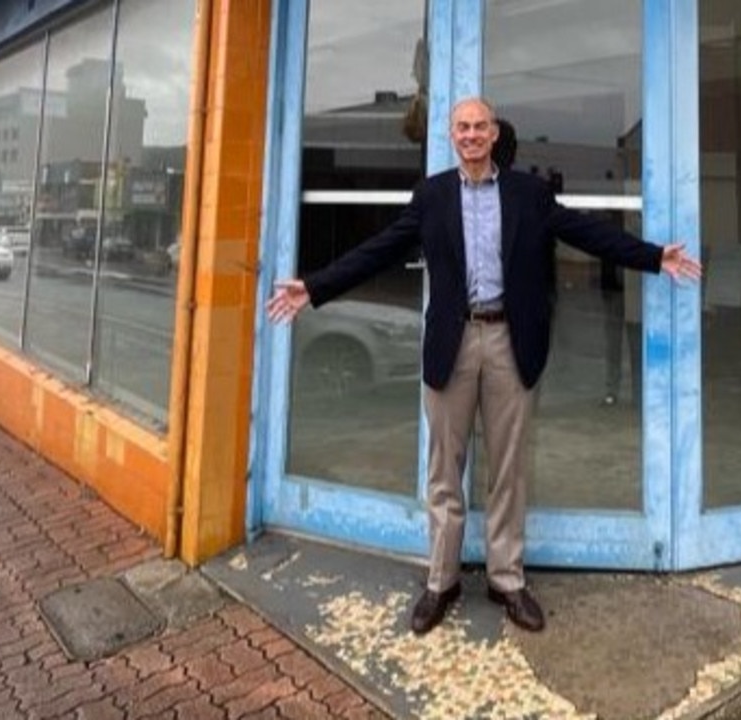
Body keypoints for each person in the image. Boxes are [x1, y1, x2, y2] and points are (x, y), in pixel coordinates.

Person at [265, 97, 701, 635]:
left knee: (508, 468)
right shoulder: (432, 196)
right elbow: (378, 249)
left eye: (480, 127)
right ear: (453, 136)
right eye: (462, 128)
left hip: (507, 341)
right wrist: (315, 286)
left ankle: (507, 579)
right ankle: (441, 580)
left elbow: (586, 232)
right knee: (445, 469)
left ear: (494, 135)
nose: (471, 135)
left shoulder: (529, 193)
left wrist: (655, 257)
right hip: (452, 342)